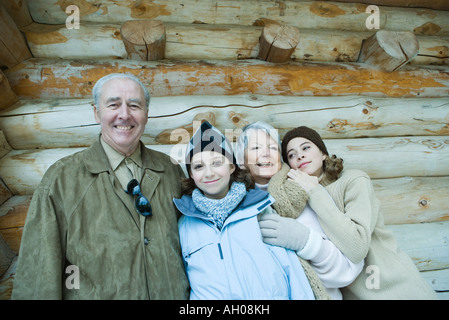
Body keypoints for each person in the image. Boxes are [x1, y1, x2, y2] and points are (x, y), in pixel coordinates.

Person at [12, 73, 189, 299]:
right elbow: (39, 273)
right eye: (113, 104)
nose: (124, 114)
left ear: (146, 114)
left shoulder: (170, 170)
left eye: (134, 105)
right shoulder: (62, 178)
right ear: (97, 113)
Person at [280, 125, 437, 300]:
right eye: (291, 154)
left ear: (323, 153)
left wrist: (315, 192)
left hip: (397, 289)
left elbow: (356, 247)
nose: (300, 155)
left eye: (306, 147)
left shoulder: (354, 180)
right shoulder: (301, 201)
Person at [173, 121, 315, 300]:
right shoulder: (184, 224)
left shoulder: (259, 210)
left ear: (232, 167)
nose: (209, 173)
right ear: (191, 174)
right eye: (199, 166)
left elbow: (293, 273)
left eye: (217, 163)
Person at [235, 121, 363, 300]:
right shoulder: (234, 205)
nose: (266, 153)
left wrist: (306, 242)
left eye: (272, 147)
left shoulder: (304, 190)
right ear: (241, 160)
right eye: (256, 147)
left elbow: (347, 269)